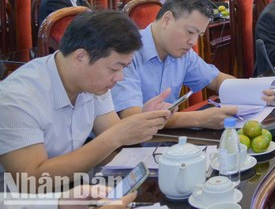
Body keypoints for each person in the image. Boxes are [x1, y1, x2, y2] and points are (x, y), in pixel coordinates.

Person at [0, 11, 170, 181]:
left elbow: (112, 133)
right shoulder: (17, 99)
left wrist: (142, 119)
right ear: (80, 57)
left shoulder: (94, 84)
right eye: (114, 68)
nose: (120, 78)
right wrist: (115, 137)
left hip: (78, 187)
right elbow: (31, 179)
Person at [112, 0, 274, 129]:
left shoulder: (182, 53)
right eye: (190, 32)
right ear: (167, 20)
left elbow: (216, 80)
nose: (193, 42)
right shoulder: (127, 53)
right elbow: (131, 115)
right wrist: (199, 119)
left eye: (199, 35)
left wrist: (253, 91)